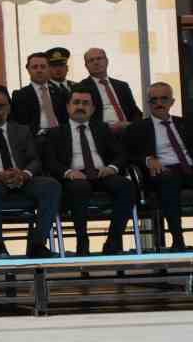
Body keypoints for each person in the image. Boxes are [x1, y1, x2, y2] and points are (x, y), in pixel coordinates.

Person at [123, 83, 193, 251]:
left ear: (172, 101)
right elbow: (128, 155)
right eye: (154, 100)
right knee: (168, 179)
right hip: (162, 172)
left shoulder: (188, 124)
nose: (159, 103)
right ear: (148, 103)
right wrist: (148, 159)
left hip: (190, 170)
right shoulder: (138, 128)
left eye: (164, 98)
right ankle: (177, 239)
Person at [0, 90, 60, 258]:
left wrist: (25, 174)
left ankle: (37, 244)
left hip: (22, 179)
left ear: (8, 108)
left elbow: (35, 160)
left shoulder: (22, 130)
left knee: (51, 186)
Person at [42, 90, 136, 256]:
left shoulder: (102, 128)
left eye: (85, 103)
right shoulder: (56, 132)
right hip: (74, 177)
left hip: (102, 173)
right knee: (80, 188)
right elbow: (50, 162)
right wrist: (68, 172)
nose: (80, 106)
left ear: (92, 109)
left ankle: (113, 241)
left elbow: (121, 154)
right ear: (68, 107)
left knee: (125, 186)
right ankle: (82, 241)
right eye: (76, 102)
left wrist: (112, 168)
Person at [76, 48, 141, 134]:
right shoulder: (81, 87)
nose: (96, 62)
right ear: (86, 66)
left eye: (99, 58)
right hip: (102, 133)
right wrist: (107, 128)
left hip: (127, 130)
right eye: (91, 60)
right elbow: (81, 116)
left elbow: (134, 110)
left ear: (106, 61)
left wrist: (132, 125)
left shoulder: (122, 85)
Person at [10, 51, 65, 134]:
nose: (39, 70)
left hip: (59, 137)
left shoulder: (60, 92)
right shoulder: (20, 95)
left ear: (49, 68)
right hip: (34, 139)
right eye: (35, 67)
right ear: (28, 70)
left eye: (43, 67)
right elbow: (20, 123)